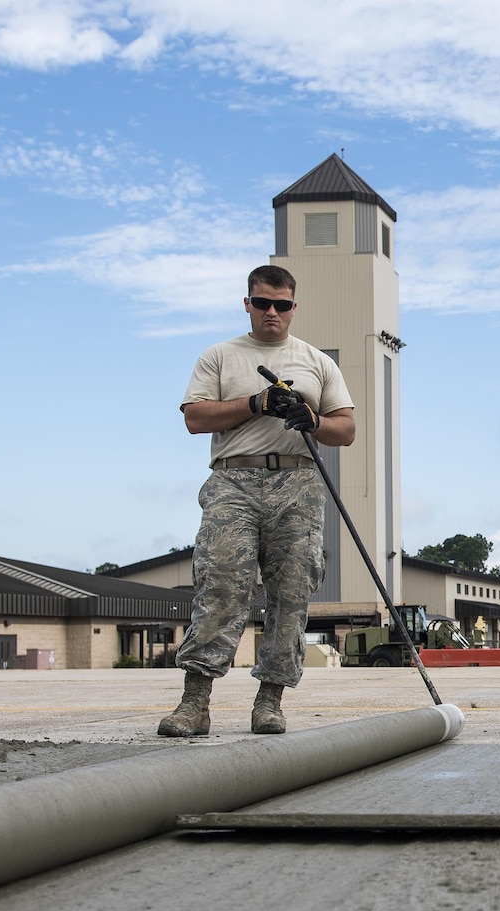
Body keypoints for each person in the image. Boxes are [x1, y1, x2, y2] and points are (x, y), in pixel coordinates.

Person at [157, 265, 355, 737]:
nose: (272, 312)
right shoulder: (220, 356)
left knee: (291, 594)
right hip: (234, 482)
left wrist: (310, 418)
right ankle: (194, 703)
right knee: (222, 584)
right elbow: (194, 418)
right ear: (247, 303)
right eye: (262, 303)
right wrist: (256, 404)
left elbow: (345, 429)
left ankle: (270, 702)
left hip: (298, 483)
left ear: (293, 307)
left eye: (281, 304)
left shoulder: (316, 361)